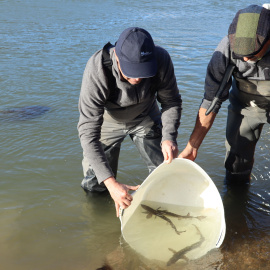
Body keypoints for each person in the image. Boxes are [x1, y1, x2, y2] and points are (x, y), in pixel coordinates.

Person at [78, 27, 182, 216]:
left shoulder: (161, 59)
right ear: (117, 56)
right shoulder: (98, 68)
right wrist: (111, 183)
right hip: (108, 121)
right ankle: (101, 224)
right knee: (95, 184)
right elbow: (87, 133)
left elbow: (171, 101)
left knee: (165, 171)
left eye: (143, 72)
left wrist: (169, 137)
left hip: (145, 116)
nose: (137, 78)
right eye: (132, 71)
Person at [179, 4, 270, 184]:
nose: (245, 59)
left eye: (251, 53)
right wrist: (193, 145)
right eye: (241, 53)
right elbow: (211, 100)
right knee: (236, 164)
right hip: (245, 105)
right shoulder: (226, 48)